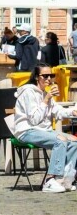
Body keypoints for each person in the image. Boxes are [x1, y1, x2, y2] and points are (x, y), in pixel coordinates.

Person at [12, 64, 77, 193]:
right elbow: (34, 120)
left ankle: (65, 179)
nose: (49, 79)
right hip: (26, 131)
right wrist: (46, 99)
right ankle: (49, 179)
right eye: (45, 76)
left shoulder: (44, 92)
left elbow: (57, 111)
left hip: (44, 131)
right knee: (61, 139)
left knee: (74, 141)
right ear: (37, 77)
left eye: (51, 76)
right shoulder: (28, 92)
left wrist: (72, 112)